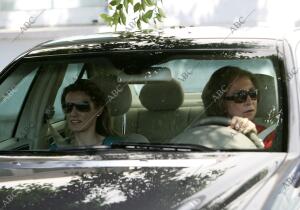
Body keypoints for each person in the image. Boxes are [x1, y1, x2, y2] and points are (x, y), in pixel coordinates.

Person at [202, 66, 275, 149]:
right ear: (222, 103)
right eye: (240, 95)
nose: (249, 101)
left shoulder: (267, 135)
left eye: (253, 93)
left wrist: (255, 138)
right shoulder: (206, 134)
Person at [51, 79, 121, 149]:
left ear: (99, 110)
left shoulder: (116, 147)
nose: (73, 113)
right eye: (68, 107)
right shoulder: (57, 149)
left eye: (82, 106)